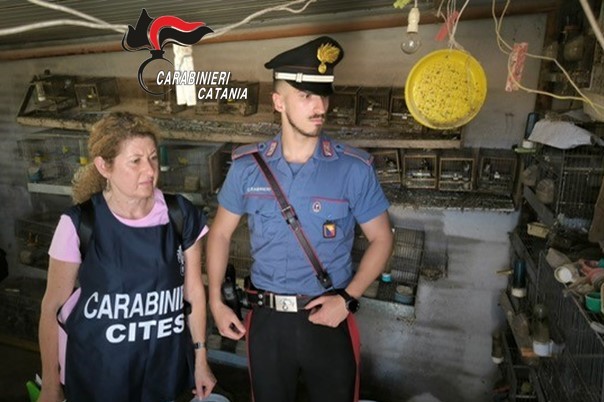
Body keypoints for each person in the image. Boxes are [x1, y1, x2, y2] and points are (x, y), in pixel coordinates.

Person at [206, 36, 394, 402]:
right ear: (278, 102)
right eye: (306, 95)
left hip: (329, 314)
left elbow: (382, 238)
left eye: (323, 95)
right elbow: (220, 234)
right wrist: (216, 299)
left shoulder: (353, 168)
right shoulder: (247, 168)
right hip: (267, 320)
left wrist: (348, 299)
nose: (319, 106)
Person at [38, 112, 216, 402]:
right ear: (103, 166)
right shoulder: (80, 224)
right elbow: (51, 308)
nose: (149, 170)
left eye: (153, 158)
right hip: (99, 373)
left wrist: (200, 359)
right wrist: (50, 385)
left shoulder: (180, 215)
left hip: (162, 369)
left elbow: (193, 291)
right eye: (135, 161)